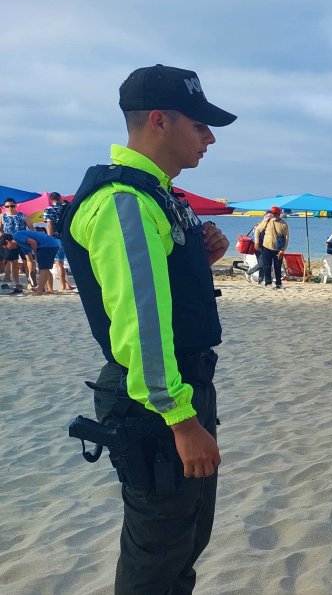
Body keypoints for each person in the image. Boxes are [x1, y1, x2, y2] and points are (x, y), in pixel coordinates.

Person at [59, 64, 234, 593]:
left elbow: (158, 290)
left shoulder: (155, 194)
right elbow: (140, 324)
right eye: (199, 124)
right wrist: (181, 420)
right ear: (159, 120)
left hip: (177, 388)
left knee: (184, 538)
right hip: (156, 400)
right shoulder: (124, 202)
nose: (208, 137)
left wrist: (195, 258)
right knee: (157, 553)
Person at [1, 229, 61, 295]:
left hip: (46, 244)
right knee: (45, 268)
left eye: (6, 247)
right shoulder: (20, 244)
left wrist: (36, 255)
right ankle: (50, 289)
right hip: (50, 244)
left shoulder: (16, 236)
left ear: (7, 241)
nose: (8, 249)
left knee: (43, 268)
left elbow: (33, 242)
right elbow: (28, 256)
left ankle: (40, 291)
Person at [42, 192, 75, 292]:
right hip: (70, 238)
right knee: (72, 262)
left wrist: (49, 238)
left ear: (51, 200)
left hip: (57, 239)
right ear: (60, 198)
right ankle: (69, 285)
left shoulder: (49, 209)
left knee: (59, 263)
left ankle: (63, 287)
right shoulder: (69, 208)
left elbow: (49, 225)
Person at [253, 206, 289, 289]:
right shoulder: (267, 221)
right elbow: (258, 230)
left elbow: (286, 238)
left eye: (273, 213)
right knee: (267, 266)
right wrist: (257, 242)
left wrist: (282, 250)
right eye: (271, 213)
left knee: (277, 266)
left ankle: (278, 283)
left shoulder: (284, 224)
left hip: (278, 249)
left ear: (278, 214)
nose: (272, 214)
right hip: (266, 247)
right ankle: (268, 282)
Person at [2, 197, 30, 285]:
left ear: (15, 206)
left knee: (27, 261)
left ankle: (30, 281)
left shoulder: (23, 215)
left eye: (12, 206)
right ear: (4, 207)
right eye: (7, 206)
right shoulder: (2, 216)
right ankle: (17, 283)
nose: (10, 208)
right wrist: (4, 239)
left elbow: (31, 228)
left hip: (22, 241)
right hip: (9, 242)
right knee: (13, 262)